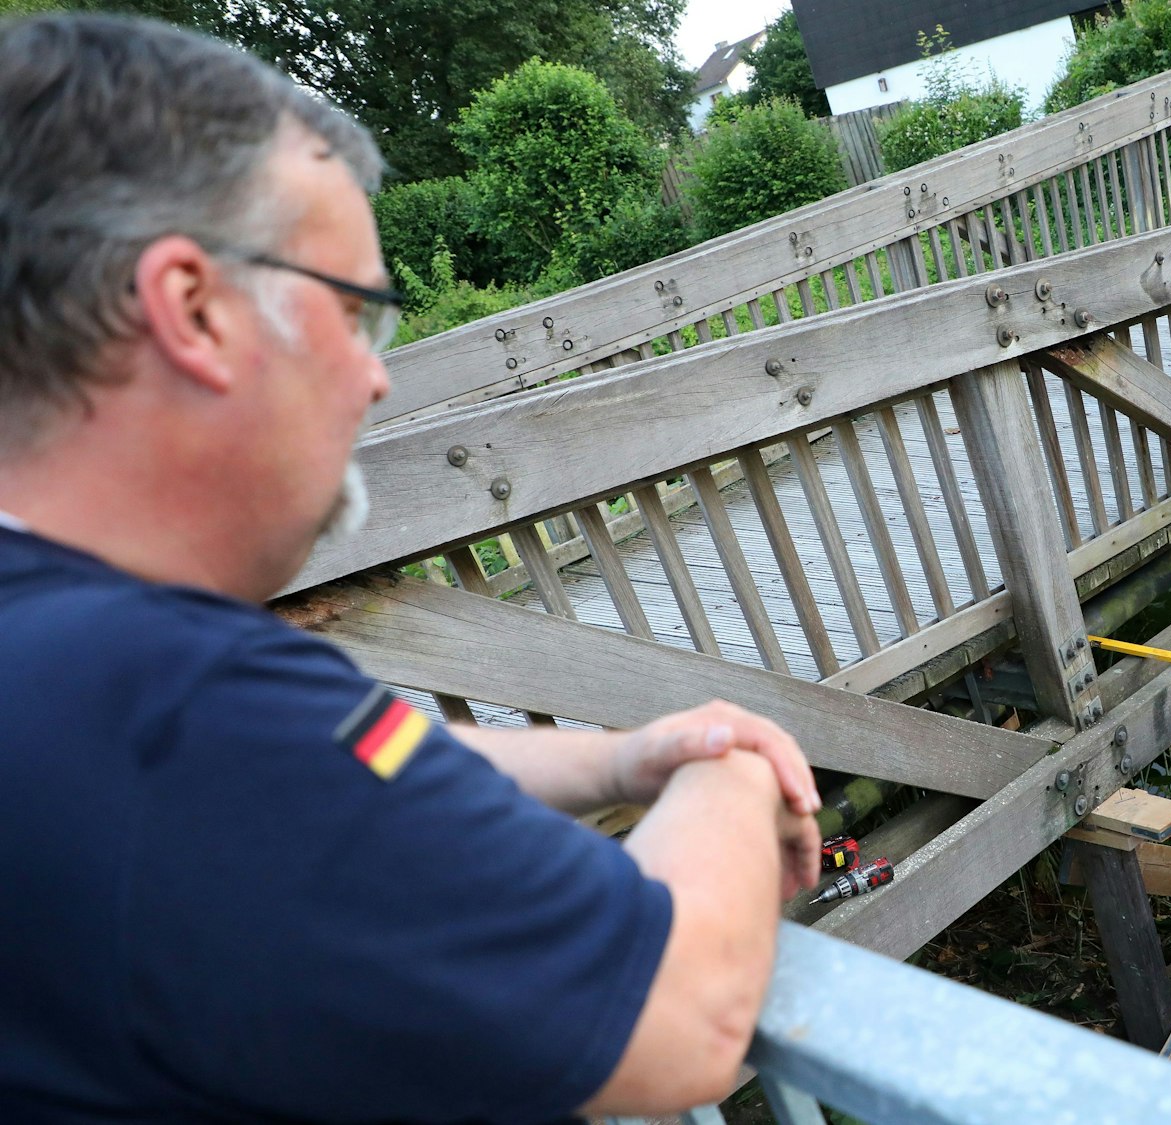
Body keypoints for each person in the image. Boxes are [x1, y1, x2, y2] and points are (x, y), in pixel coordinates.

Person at [0, 14, 821, 1122]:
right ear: (193, 309)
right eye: (353, 312)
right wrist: (728, 767)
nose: (374, 380)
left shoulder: (77, 661)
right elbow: (676, 1015)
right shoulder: (167, 703)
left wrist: (623, 759)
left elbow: (369, 761)